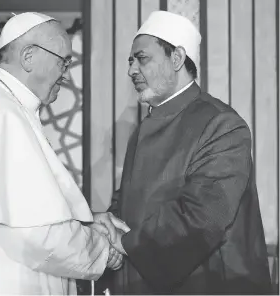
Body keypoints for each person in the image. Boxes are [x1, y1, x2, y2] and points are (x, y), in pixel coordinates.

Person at [0, 12, 128, 295]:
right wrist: (101, 249)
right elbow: (37, 234)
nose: (66, 72)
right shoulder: (3, 114)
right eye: (63, 61)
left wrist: (87, 221)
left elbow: (26, 209)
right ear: (29, 56)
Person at [103, 11, 272, 294]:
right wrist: (109, 222)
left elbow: (203, 215)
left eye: (141, 58)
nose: (132, 69)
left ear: (177, 58)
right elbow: (130, 199)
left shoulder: (222, 123)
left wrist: (122, 243)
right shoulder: (143, 127)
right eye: (130, 61)